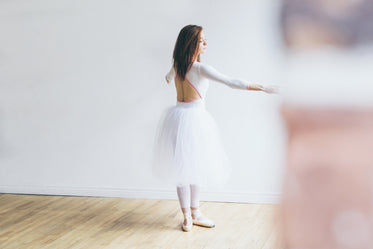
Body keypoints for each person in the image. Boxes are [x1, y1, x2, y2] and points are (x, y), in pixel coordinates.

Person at [152, 24, 277, 232]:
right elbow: (230, 81)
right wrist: (263, 88)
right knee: (195, 166)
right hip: (194, 119)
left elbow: (168, 76)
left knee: (182, 168)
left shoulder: (178, 65)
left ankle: (188, 216)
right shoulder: (200, 69)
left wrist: (168, 77)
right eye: (202, 40)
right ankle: (194, 213)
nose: (206, 43)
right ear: (192, 44)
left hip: (176, 118)